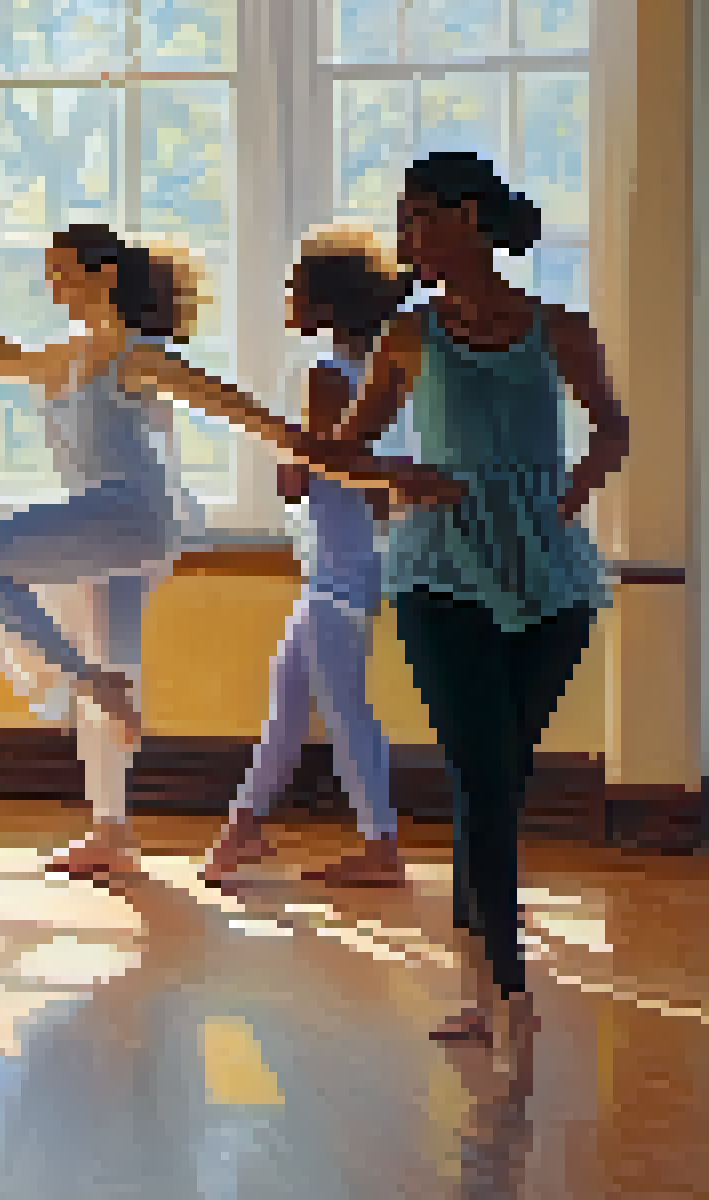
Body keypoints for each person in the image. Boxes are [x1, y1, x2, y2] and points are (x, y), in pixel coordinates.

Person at [0, 225, 456, 881]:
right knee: (211, 685)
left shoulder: (141, 356)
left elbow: (236, 410)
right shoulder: (67, 355)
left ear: (105, 277)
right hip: (145, 533)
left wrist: (336, 458)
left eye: (62, 271)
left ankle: (375, 846)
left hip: (136, 520)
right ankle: (133, 829)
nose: (51, 285)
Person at [328, 151, 625, 1060]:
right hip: (437, 571)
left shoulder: (561, 329)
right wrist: (403, 475)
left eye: (419, 218)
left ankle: (478, 977)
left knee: (499, 774)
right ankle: (504, 981)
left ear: (471, 219)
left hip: (552, 578)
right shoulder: (408, 337)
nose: (407, 238)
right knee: (481, 771)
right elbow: (342, 454)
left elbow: (612, 427)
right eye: (404, 221)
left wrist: (573, 491)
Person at [204, 226, 416, 888]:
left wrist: (283, 447)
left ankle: (381, 844)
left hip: (338, 573)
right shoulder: (387, 373)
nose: (287, 298)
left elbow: (301, 480)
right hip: (351, 565)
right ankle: (240, 832)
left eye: (295, 287)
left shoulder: (327, 375)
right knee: (291, 702)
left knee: (345, 708)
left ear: (326, 304)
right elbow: (375, 485)